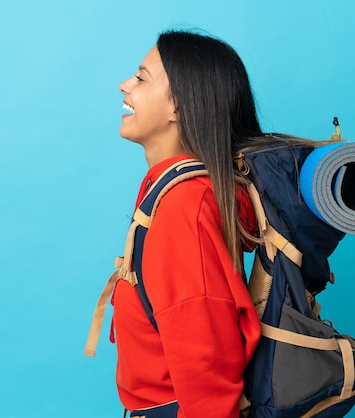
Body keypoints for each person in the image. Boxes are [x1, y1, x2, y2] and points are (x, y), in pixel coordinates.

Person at [110, 30, 268, 418]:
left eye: (142, 77)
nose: (124, 85)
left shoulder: (185, 205)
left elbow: (206, 363)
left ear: (178, 106)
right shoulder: (172, 186)